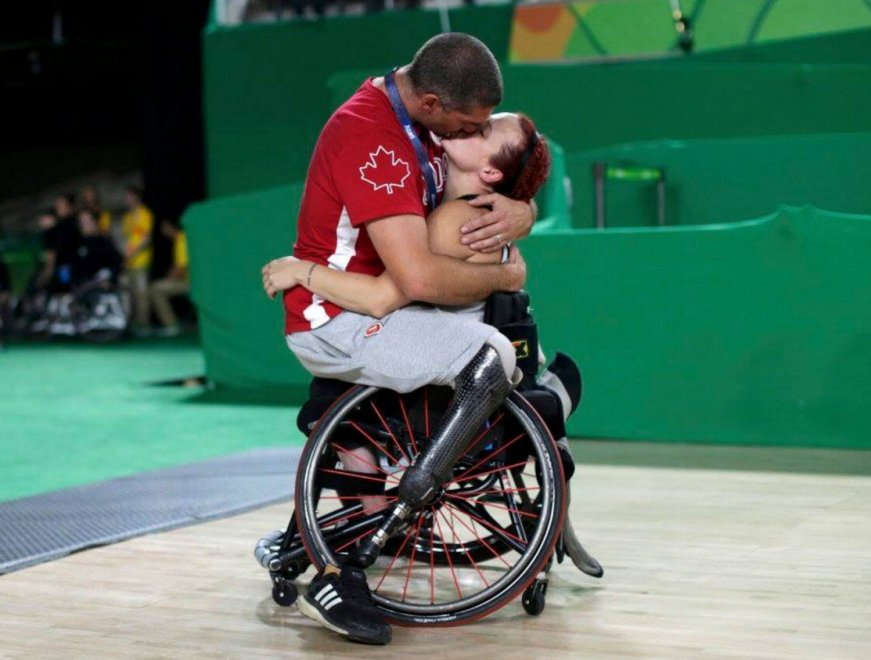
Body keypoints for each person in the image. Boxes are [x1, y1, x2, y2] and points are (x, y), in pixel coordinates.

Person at [262, 33, 541, 645]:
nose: (466, 137)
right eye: (467, 126)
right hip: (337, 317)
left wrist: (523, 212)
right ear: (434, 102)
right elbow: (411, 279)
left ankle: (327, 530)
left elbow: (495, 174)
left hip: (381, 309)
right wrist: (510, 271)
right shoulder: (371, 136)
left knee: (495, 340)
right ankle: (346, 566)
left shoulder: (422, 123)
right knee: (489, 354)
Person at [120, 186, 154, 334]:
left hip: (141, 261)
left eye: (129, 196)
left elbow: (146, 238)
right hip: (128, 261)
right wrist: (125, 254)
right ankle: (129, 324)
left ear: (136, 197)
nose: (127, 199)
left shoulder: (145, 214)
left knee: (142, 294)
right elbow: (126, 238)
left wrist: (133, 252)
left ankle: (144, 325)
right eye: (126, 197)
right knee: (129, 293)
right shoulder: (127, 217)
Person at [148, 220, 190, 337]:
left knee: (156, 289)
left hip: (191, 283)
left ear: (170, 227)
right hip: (188, 280)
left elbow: (181, 267)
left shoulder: (182, 239)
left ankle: (171, 326)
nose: (163, 231)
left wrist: (169, 278)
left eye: (164, 228)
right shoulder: (180, 239)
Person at [72, 209, 123, 286]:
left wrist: (109, 278)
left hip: (101, 287)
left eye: (88, 221)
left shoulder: (103, 241)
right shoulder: (76, 243)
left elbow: (117, 263)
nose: (85, 225)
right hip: (83, 288)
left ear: (94, 222)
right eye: (82, 222)